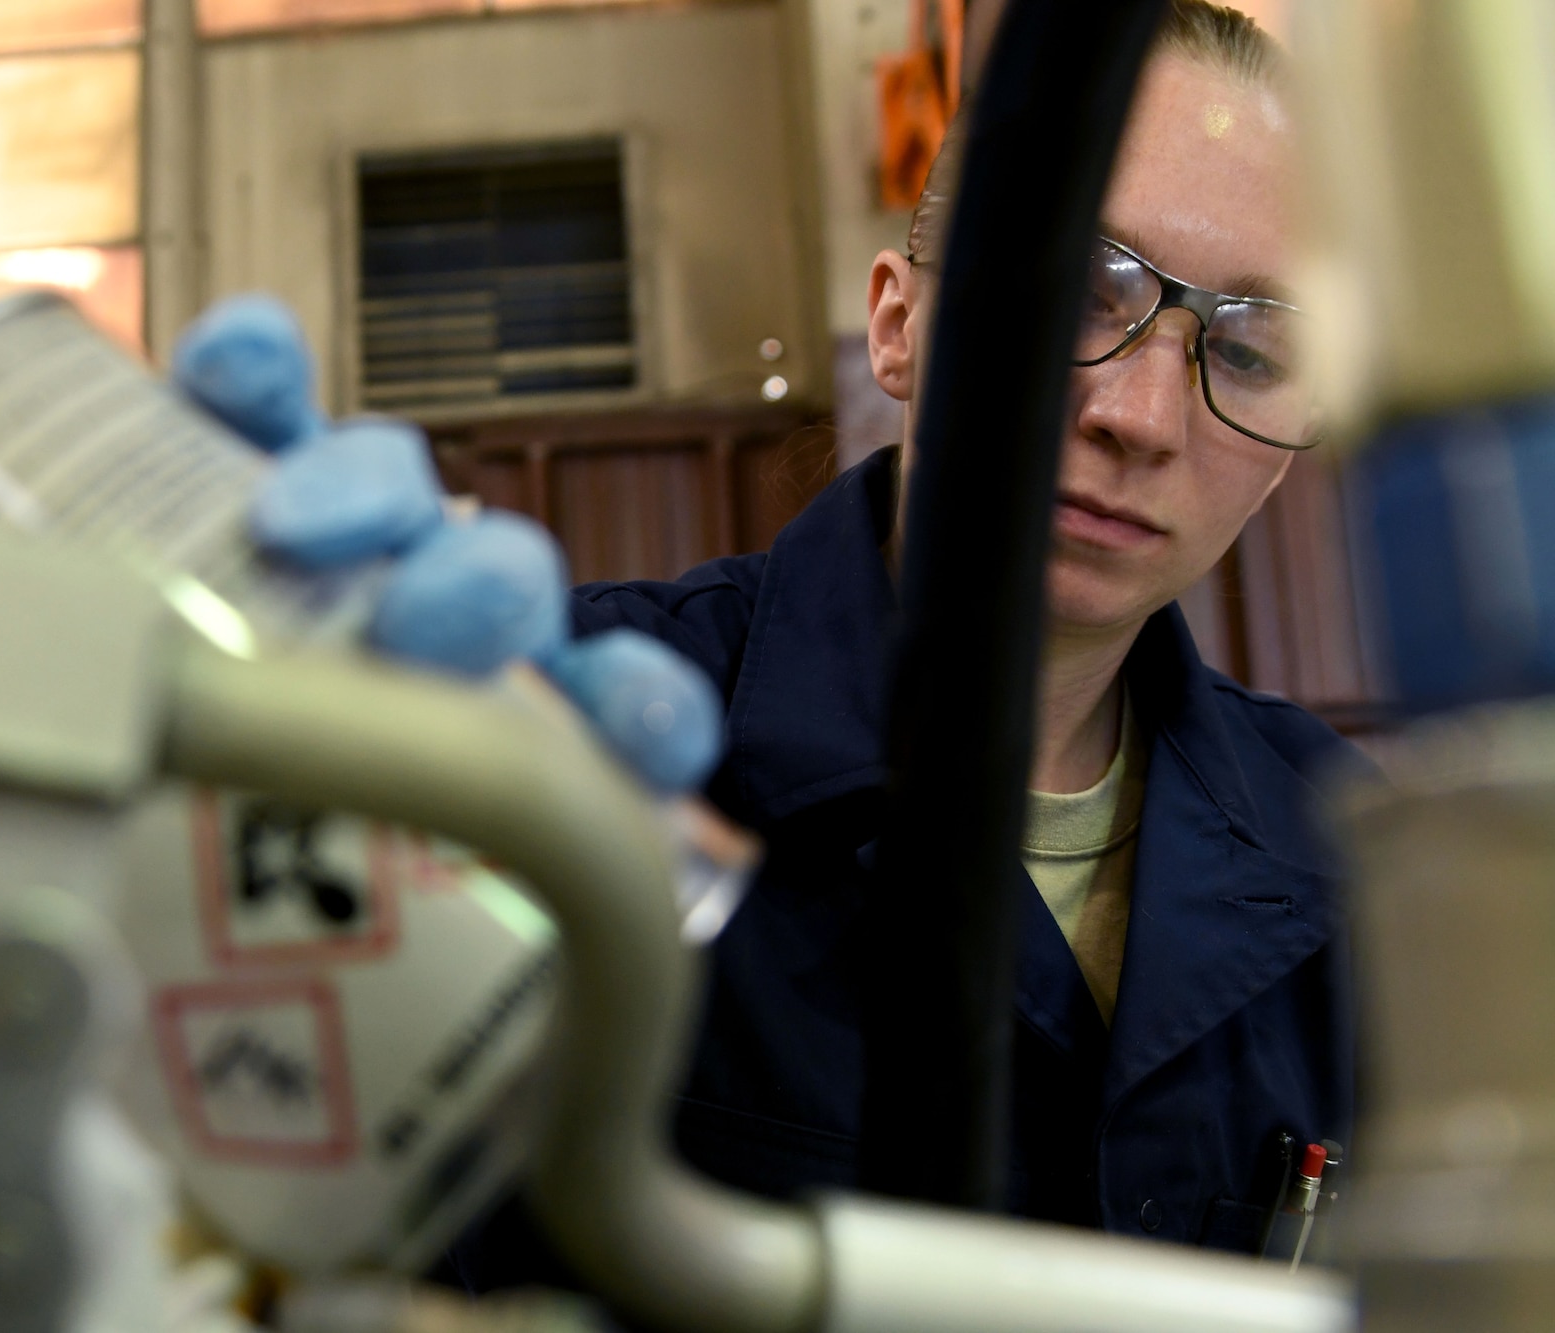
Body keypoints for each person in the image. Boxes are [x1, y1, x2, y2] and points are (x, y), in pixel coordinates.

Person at [174, 0, 1351, 1269]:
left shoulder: (1352, 851)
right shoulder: (569, 743)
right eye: (1075, 285)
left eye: (1248, 347)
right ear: (896, 326)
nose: (1140, 416)